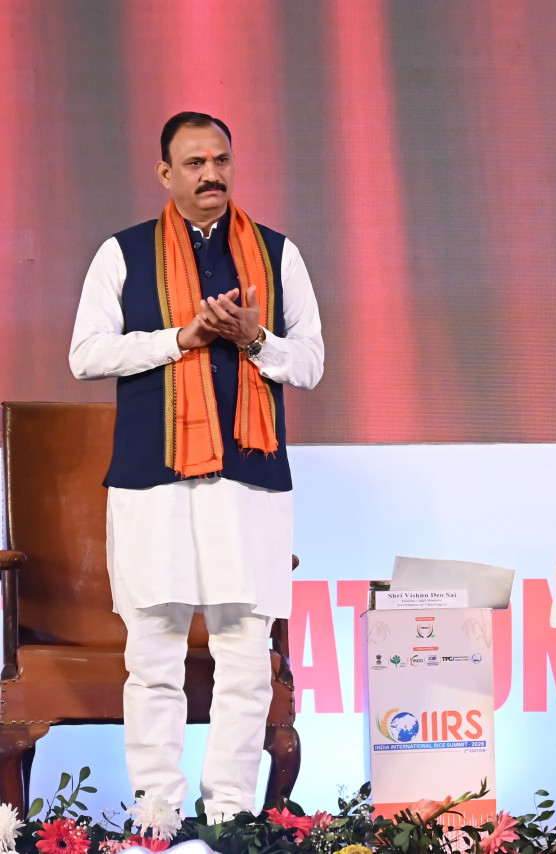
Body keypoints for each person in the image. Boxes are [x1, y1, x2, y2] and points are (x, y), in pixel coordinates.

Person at [69, 111, 324, 819]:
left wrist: (255, 339)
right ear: (165, 173)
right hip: (153, 483)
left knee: (245, 654)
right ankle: (156, 812)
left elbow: (310, 362)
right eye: (194, 163)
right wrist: (178, 338)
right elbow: (86, 354)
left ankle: (231, 813)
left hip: (249, 483)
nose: (211, 174)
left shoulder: (277, 254)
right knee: (153, 652)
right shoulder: (122, 253)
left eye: (221, 160)